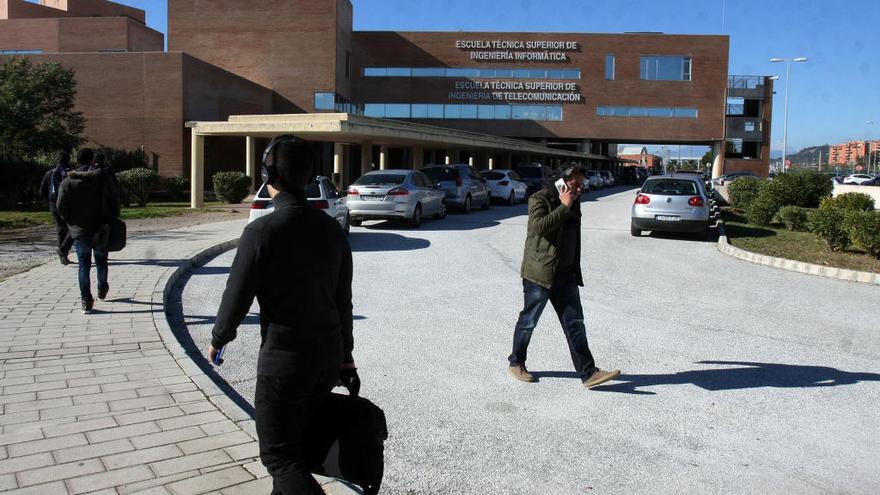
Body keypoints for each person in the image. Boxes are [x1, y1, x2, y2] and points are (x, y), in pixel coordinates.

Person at [207, 136, 358, 494]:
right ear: (310, 176)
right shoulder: (333, 230)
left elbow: (236, 295)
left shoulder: (261, 232)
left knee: (279, 458)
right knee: (296, 454)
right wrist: (346, 357)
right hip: (327, 360)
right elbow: (343, 302)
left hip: (285, 364)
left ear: (266, 173)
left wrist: (219, 339)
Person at [507, 163, 621, 389]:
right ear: (561, 182)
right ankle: (516, 362)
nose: (579, 189)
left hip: (566, 275)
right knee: (528, 321)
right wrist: (563, 206)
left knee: (575, 323)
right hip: (540, 274)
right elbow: (540, 227)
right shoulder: (539, 199)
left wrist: (569, 204)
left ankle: (588, 373)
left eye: (582, 185)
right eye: (574, 184)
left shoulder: (574, 203)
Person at [56, 148, 120, 314]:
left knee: (84, 264)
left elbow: (60, 206)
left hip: (80, 229)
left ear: (76, 161)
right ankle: (102, 287)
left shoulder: (68, 182)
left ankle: (86, 300)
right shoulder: (103, 178)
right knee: (101, 260)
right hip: (101, 226)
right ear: (92, 160)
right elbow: (115, 198)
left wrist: (70, 220)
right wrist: (113, 217)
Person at [39, 150, 74, 264]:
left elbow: (42, 191)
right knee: (73, 228)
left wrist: (50, 200)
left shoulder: (50, 173)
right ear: (68, 160)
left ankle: (62, 257)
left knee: (60, 229)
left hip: (54, 204)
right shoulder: (71, 173)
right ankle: (63, 250)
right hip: (68, 205)